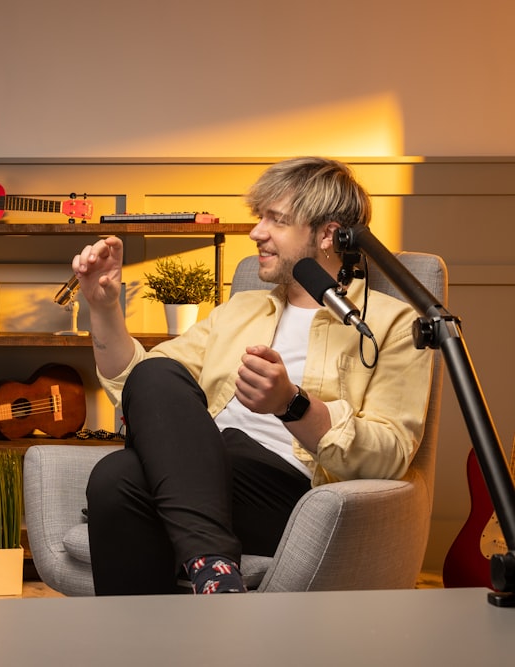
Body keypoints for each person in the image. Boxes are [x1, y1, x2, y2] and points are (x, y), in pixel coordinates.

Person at [71, 157, 433, 595]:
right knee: (147, 400)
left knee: (118, 477)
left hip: (293, 492)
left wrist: (292, 404)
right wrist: (104, 308)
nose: (256, 232)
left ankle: (169, 618)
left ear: (328, 234)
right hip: (207, 466)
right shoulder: (241, 309)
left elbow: (391, 454)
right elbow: (141, 386)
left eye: (276, 220)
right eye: (260, 217)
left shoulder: (395, 323)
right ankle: (214, 573)